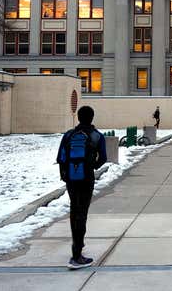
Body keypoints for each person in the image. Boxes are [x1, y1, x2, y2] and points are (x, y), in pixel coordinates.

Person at [56, 106, 107, 269]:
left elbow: (61, 157)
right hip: (86, 177)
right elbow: (103, 158)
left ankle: (76, 247)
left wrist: (65, 175)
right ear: (92, 118)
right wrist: (92, 166)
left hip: (71, 177)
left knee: (74, 210)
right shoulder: (97, 136)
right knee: (82, 212)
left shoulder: (69, 135)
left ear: (78, 117)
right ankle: (77, 254)